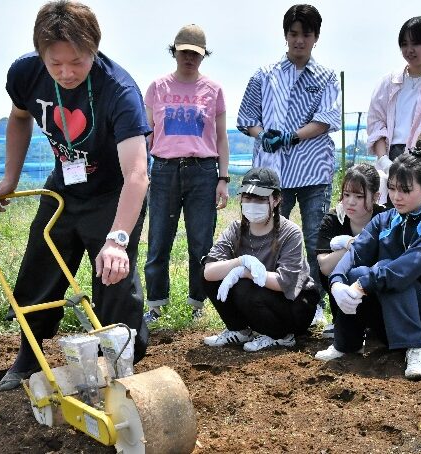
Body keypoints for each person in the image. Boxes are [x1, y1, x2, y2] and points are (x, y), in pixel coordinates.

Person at [0, 0, 151, 391]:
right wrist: (10, 177)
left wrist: (117, 240)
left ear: (93, 48)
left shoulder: (119, 91)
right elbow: (20, 117)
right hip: (64, 188)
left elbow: (137, 175)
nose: (65, 72)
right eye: (55, 63)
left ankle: (118, 360)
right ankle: (29, 356)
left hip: (113, 193)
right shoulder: (25, 73)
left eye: (76, 61)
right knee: (38, 268)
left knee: (113, 278)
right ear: (41, 55)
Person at [236, 4, 341, 326]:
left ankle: (318, 304)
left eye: (306, 35)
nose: (299, 41)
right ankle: (270, 301)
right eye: (294, 34)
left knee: (313, 240)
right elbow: (246, 119)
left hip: (312, 171)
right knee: (269, 239)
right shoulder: (264, 74)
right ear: (285, 36)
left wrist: (291, 137)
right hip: (274, 176)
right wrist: (263, 135)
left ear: (315, 37)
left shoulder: (325, 77)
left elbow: (326, 120)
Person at [315, 144, 421, 380]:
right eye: (392, 188)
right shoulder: (384, 219)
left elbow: (406, 268)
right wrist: (337, 283)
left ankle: (419, 348)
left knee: (385, 271)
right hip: (393, 318)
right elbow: (355, 253)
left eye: (405, 190)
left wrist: (362, 285)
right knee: (355, 273)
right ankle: (348, 344)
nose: (396, 196)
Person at [143, 24, 229, 323]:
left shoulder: (213, 89)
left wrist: (223, 177)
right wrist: (142, 172)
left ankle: (197, 304)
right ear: (175, 52)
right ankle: (155, 304)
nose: (190, 58)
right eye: (185, 52)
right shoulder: (157, 87)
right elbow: (147, 133)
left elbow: (220, 138)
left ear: (203, 56)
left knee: (201, 242)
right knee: (158, 240)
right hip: (165, 169)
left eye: (196, 53)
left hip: (203, 170)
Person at [202, 167, 319, 352]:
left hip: (296, 305)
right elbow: (208, 272)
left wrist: (244, 272)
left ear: (276, 199)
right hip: (261, 297)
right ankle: (239, 330)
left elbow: (284, 283)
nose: (252, 204)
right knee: (211, 276)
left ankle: (282, 336)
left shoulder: (290, 232)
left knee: (244, 288)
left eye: (260, 199)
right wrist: (240, 261)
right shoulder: (235, 229)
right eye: (247, 198)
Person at [368, 16, 421, 203]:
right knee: (388, 220)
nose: (409, 50)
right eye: (404, 44)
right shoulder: (388, 81)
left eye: (416, 43)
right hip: (391, 159)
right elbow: (376, 124)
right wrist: (384, 162)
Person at [316, 164, 386, 338]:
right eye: (346, 195)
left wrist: (356, 245)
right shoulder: (333, 219)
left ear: (376, 196)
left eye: (359, 196)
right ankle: (340, 320)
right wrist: (352, 245)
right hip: (341, 285)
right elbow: (324, 266)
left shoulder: (385, 217)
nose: (350, 201)